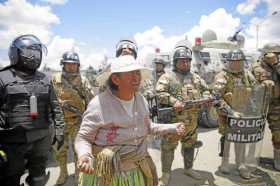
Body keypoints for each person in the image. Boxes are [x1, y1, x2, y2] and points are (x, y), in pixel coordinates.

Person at [75, 55, 185, 186]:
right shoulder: (98, 104)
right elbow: (83, 138)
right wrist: (84, 156)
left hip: (137, 172)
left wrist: (172, 127)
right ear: (116, 79)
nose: (136, 77)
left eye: (137, 73)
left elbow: (147, 126)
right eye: (130, 74)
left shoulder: (141, 100)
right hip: (108, 176)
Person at [0, 34, 65, 186]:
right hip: (11, 141)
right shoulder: (3, 78)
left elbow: (56, 107)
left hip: (41, 138)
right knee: (10, 176)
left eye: (36, 53)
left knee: (39, 178)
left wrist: (60, 130)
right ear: (16, 53)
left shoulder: (44, 78)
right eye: (29, 53)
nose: (33, 57)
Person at [156, 46, 209, 185]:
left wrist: (207, 99)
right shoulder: (167, 77)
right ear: (175, 62)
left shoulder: (196, 77)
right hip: (173, 122)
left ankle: (188, 168)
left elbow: (206, 91)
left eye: (187, 61)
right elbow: (160, 93)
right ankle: (166, 175)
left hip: (192, 121)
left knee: (190, 145)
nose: (185, 64)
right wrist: (174, 101)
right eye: (182, 61)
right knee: (168, 147)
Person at [213, 49, 258, 179]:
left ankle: (241, 164)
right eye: (234, 61)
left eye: (239, 61)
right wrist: (231, 112)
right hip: (227, 115)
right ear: (229, 62)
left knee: (241, 139)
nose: (237, 64)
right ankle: (225, 162)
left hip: (244, 113)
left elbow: (256, 89)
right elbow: (216, 98)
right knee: (228, 138)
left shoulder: (247, 74)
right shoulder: (222, 76)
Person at [53, 51, 93, 185]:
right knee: (59, 150)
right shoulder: (55, 79)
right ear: (63, 64)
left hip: (78, 122)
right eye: (68, 64)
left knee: (79, 150)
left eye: (73, 64)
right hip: (60, 122)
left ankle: (78, 173)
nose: (71, 67)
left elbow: (91, 102)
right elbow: (50, 99)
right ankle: (63, 173)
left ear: (78, 65)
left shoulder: (83, 81)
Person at [252, 43, 280, 170]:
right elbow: (259, 73)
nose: (277, 56)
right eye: (275, 54)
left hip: (276, 105)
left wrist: (276, 64)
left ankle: (278, 159)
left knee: (278, 132)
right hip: (260, 104)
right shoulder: (258, 65)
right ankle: (250, 158)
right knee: (253, 133)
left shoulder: (277, 65)